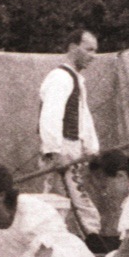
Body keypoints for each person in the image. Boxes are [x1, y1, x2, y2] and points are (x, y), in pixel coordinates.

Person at [37, 29, 106, 246]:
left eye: (95, 50)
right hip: (62, 150)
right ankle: (91, 243)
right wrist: (56, 152)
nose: (93, 55)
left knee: (65, 202)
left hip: (72, 149)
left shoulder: (75, 79)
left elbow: (83, 117)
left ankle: (72, 244)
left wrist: (91, 148)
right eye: (89, 49)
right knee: (70, 202)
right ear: (72, 48)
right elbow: (50, 116)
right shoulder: (60, 77)